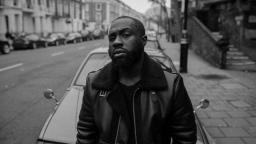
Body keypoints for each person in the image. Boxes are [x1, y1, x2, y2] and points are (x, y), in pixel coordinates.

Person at [76, 16, 197, 144]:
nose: (116, 42)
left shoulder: (172, 85)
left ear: (143, 40)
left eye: (126, 35)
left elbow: (185, 138)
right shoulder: (94, 83)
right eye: (112, 37)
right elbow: (85, 135)